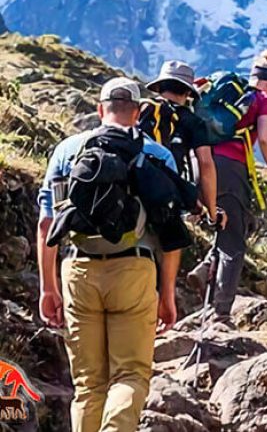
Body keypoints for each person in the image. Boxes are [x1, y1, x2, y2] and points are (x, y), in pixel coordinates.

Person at [37, 77, 189, 432]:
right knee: (130, 375)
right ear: (138, 113)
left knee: (88, 384)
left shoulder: (67, 151)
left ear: (99, 108)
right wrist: (166, 295)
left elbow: (47, 224)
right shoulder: (156, 154)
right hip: (134, 270)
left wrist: (48, 287)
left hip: (77, 269)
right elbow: (170, 234)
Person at [187, 49, 267, 317]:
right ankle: (221, 314)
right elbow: (264, 139)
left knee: (223, 225)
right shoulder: (263, 99)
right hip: (230, 169)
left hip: (199, 163)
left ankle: (203, 272)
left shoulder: (225, 95)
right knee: (235, 242)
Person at [142, 60, 227, 230]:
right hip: (168, 193)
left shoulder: (140, 109)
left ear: (158, 87)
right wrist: (211, 212)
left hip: (133, 182)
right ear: (188, 92)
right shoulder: (194, 122)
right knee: (172, 245)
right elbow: (205, 164)